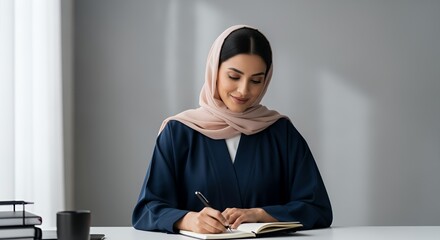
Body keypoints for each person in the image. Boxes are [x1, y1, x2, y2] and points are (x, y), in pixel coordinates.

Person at [132, 25, 332, 234]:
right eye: (234, 77)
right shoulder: (178, 132)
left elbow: (317, 208)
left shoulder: (281, 133)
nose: (244, 90)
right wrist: (188, 220)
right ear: (214, 71)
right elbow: (147, 209)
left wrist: (260, 214)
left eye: (256, 80)